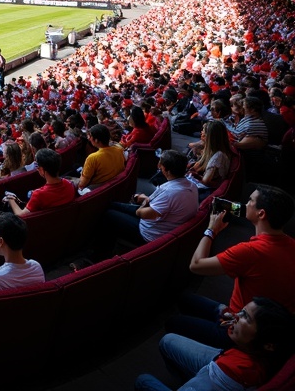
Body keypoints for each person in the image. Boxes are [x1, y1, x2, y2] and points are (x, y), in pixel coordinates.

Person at [168, 186, 295, 349]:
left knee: (173, 322)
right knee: (184, 299)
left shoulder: (250, 251)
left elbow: (196, 265)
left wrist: (211, 230)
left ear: (261, 213)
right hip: (264, 327)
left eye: (250, 200)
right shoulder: (291, 244)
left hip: (239, 330)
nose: (246, 204)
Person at [135, 298, 295, 391]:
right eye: (242, 311)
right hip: (224, 360)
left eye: (246, 317)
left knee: (143, 380)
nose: (236, 317)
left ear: (268, 344)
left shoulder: (227, 373)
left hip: (217, 374)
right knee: (167, 340)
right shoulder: (266, 354)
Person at [97, 149, 198, 253]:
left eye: (161, 164)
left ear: (166, 170)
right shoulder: (191, 185)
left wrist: (145, 201)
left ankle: (100, 254)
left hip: (150, 234)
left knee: (109, 214)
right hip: (161, 220)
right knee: (112, 205)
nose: (159, 166)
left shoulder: (170, 192)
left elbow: (141, 213)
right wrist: (147, 199)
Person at [4, 148, 76, 215]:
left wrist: (10, 199)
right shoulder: (69, 184)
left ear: (41, 169)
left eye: (37, 166)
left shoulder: (38, 195)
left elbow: (21, 215)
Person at [186, 120, 233, 198]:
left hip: (206, 191)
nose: (201, 132)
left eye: (203, 131)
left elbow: (205, 181)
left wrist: (194, 175)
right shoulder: (212, 150)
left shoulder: (219, 156)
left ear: (209, 136)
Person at [73, 123, 126, 191]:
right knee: (76, 166)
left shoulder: (92, 158)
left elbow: (82, 184)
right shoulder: (119, 149)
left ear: (96, 140)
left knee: (71, 172)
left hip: (96, 188)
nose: (89, 138)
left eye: (90, 136)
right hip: (113, 185)